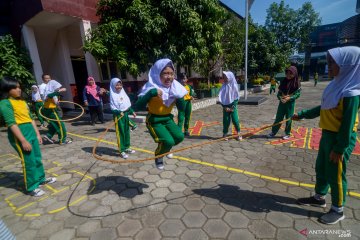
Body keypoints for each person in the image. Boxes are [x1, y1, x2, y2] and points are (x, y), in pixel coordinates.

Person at [293, 46, 360, 225]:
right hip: (327, 134)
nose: (328, 66)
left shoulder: (351, 93)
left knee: (336, 174)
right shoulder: (335, 85)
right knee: (321, 167)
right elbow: (323, 109)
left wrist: (339, 148)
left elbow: (347, 126)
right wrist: (303, 114)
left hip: (340, 139)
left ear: (348, 66)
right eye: (328, 62)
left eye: (332, 62)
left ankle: (338, 209)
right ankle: (319, 197)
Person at [0, 77, 56, 197]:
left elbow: (31, 119)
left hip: (30, 131)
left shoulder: (22, 102)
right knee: (28, 161)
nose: (18, 90)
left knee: (37, 157)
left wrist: (37, 134)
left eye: (19, 87)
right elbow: (11, 123)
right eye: (15, 88)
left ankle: (41, 179)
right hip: (20, 134)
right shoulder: (5, 103)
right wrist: (23, 141)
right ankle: (31, 186)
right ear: (7, 89)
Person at [135, 58, 187, 170]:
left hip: (168, 118)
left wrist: (180, 99)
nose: (169, 77)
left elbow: (182, 109)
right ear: (157, 74)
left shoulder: (176, 88)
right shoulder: (150, 87)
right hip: (154, 120)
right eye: (165, 73)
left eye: (171, 73)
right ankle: (158, 156)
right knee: (168, 141)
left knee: (179, 137)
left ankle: (166, 149)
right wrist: (150, 94)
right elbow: (137, 106)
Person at [267, 66, 301, 140]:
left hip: (290, 105)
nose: (288, 75)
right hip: (282, 104)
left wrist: (290, 98)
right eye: (287, 73)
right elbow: (278, 94)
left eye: (290, 73)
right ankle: (273, 132)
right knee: (278, 118)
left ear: (294, 74)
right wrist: (280, 98)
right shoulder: (284, 82)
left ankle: (287, 133)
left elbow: (298, 94)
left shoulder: (296, 83)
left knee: (289, 119)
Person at [110, 78, 137, 159]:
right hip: (118, 116)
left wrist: (132, 111)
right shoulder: (112, 95)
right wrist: (118, 112)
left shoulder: (123, 93)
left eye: (120, 85)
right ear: (113, 86)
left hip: (125, 115)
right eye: (117, 85)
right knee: (120, 133)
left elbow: (126, 105)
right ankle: (121, 150)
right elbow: (112, 108)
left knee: (126, 131)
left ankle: (127, 147)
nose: (119, 86)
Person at [41, 74, 72, 144]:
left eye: (49, 78)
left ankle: (48, 136)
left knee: (54, 124)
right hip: (50, 109)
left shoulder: (49, 86)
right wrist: (60, 91)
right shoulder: (43, 87)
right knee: (60, 125)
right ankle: (63, 140)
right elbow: (48, 95)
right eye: (46, 78)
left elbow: (52, 94)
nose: (48, 79)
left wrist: (58, 94)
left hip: (50, 108)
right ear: (43, 79)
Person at [219, 71, 242, 141]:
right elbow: (221, 98)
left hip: (232, 107)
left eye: (225, 77)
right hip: (225, 107)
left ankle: (239, 132)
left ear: (230, 77)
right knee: (226, 120)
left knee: (235, 120)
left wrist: (233, 107)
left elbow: (236, 98)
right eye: (224, 77)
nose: (224, 78)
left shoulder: (234, 86)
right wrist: (224, 107)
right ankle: (225, 133)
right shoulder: (223, 86)